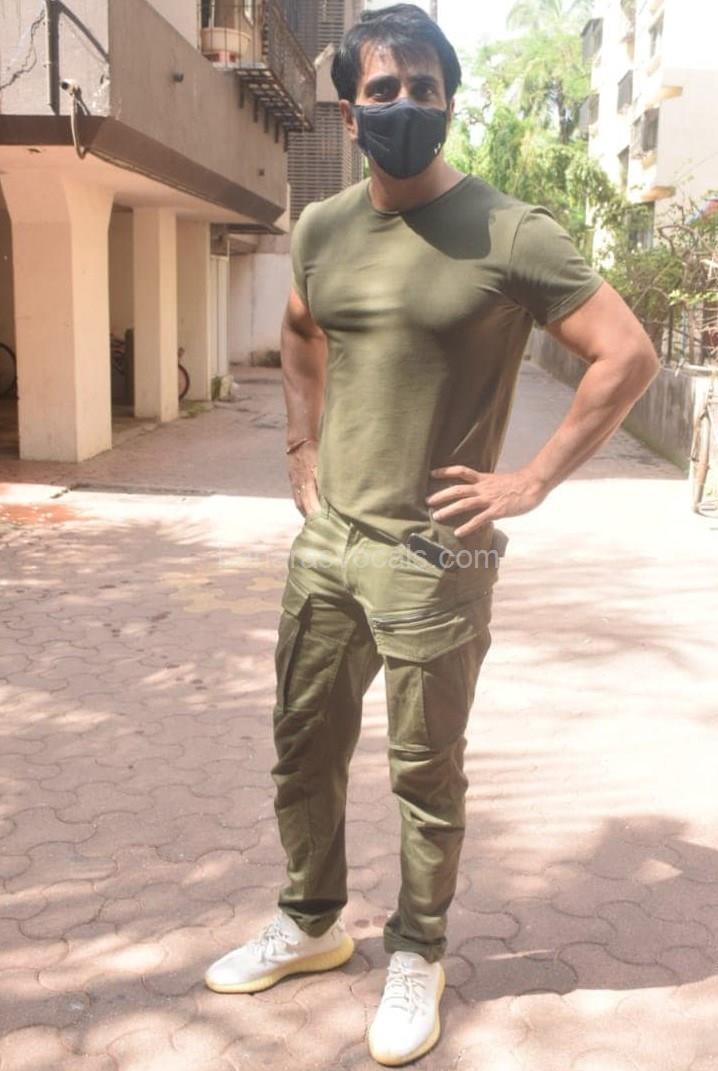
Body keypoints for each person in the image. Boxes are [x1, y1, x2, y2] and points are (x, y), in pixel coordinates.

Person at [204, 4, 659, 1065]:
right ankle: (311, 922)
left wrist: (531, 479)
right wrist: (300, 448)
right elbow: (302, 332)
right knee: (301, 745)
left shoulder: (510, 231)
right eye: (383, 90)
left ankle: (418, 949)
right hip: (329, 545)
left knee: (424, 769)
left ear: (449, 101)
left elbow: (628, 354)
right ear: (349, 112)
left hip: (435, 554)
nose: (404, 105)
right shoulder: (320, 229)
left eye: (424, 89)